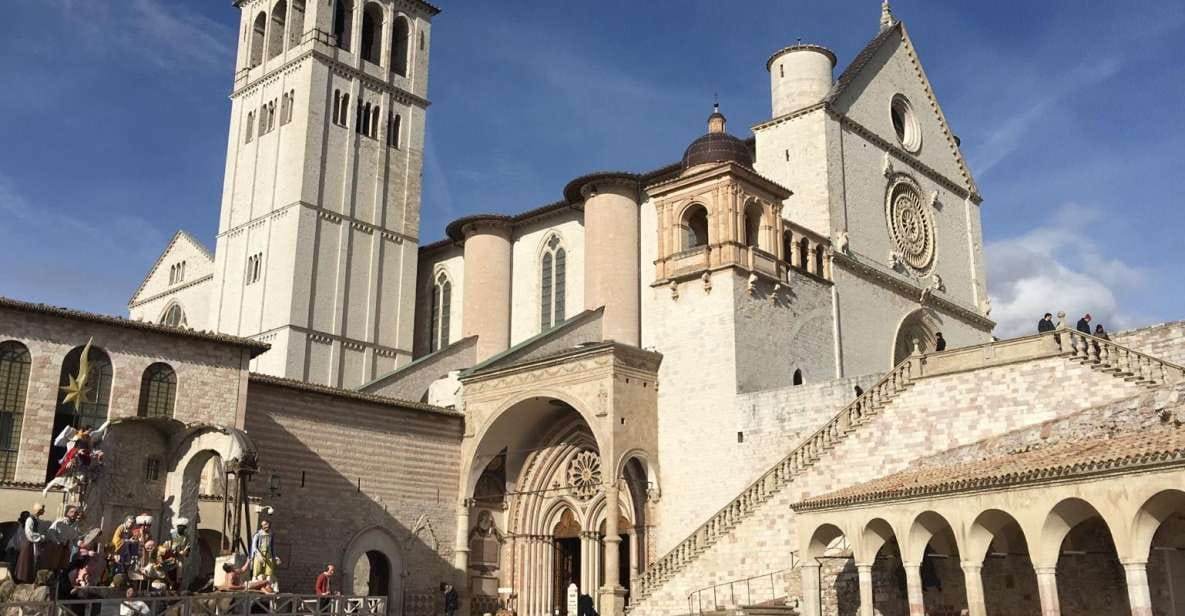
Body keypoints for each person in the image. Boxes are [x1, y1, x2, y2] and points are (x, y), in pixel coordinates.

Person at [16, 503, 47, 583]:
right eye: (43, 509)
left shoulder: (35, 519)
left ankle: (30, 579)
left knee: (33, 561)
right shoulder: (30, 519)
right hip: (29, 544)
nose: (44, 511)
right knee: (26, 562)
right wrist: (40, 537)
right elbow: (29, 533)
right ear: (39, 510)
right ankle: (23, 580)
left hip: (33, 543)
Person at [249, 519, 280, 588]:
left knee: (269, 570)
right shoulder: (258, 534)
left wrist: (275, 556)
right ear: (261, 526)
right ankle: (255, 579)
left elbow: (272, 546)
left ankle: (268, 584)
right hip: (259, 553)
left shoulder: (271, 534)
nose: (266, 526)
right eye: (264, 525)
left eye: (267, 524)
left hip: (268, 553)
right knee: (257, 568)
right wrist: (258, 554)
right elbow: (254, 546)